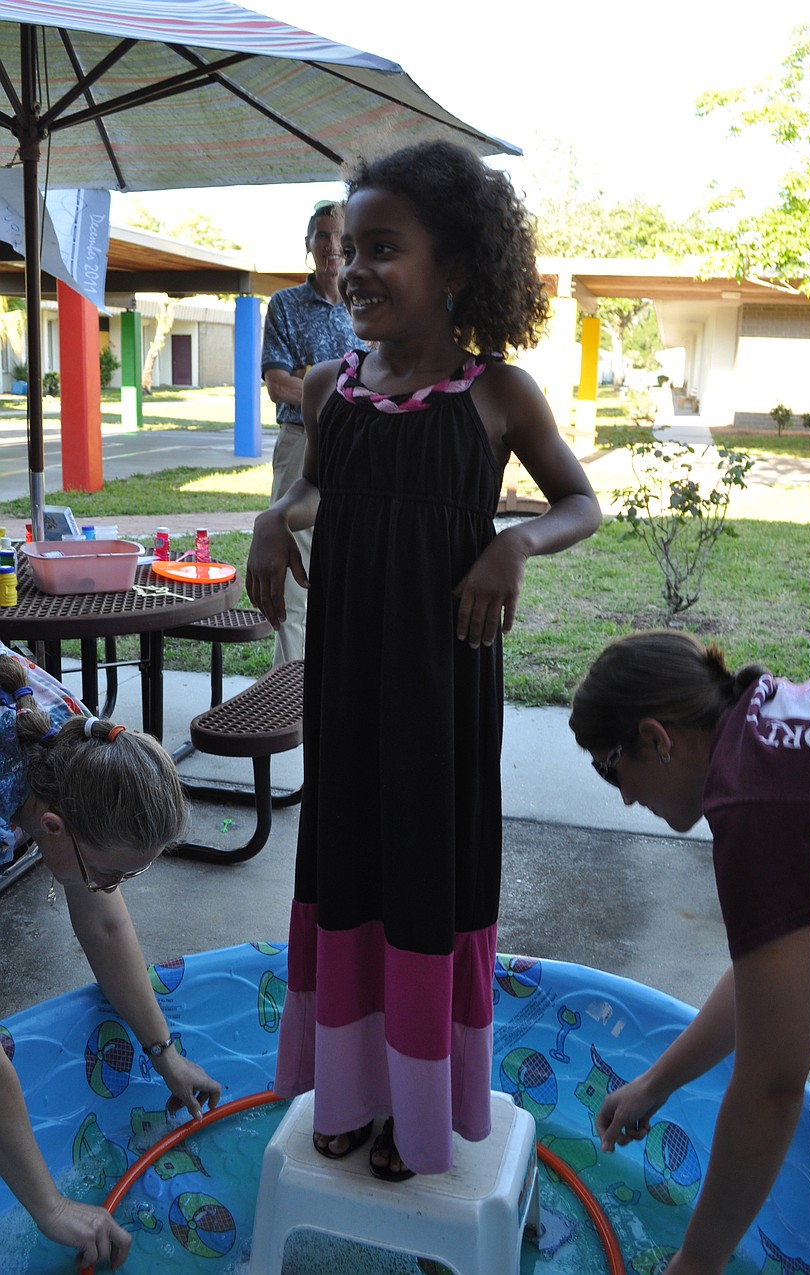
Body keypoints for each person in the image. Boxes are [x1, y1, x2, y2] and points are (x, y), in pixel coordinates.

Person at [247, 139, 601, 1183]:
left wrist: (510, 541)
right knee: (347, 859)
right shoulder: (329, 386)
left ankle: (421, 1107)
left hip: (442, 694)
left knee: (426, 875)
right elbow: (327, 495)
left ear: (453, 267)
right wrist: (276, 515)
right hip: (351, 686)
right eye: (346, 247)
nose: (353, 266)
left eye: (382, 247)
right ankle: (350, 1093)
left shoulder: (499, 396)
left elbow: (578, 500)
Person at [568, 630, 810, 1275]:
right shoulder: (759, 723)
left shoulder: (755, 802)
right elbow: (766, 984)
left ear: (657, 739)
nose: (624, 797)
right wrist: (654, 1083)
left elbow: (774, 1085)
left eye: (611, 766)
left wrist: (697, 1260)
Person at [0, 643, 221, 1271]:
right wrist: (49, 1206)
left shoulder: (75, 739)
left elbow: (101, 918)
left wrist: (162, 1049)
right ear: (49, 826)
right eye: (109, 871)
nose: (113, 886)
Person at [260, 199, 366, 663]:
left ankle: (341, 672)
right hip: (300, 446)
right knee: (292, 569)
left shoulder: (366, 304)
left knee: (353, 563)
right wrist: (344, 388)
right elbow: (278, 384)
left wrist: (309, 379)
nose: (330, 246)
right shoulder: (284, 305)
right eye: (321, 236)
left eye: (338, 237)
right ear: (309, 245)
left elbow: (384, 377)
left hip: (361, 449)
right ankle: (291, 688)